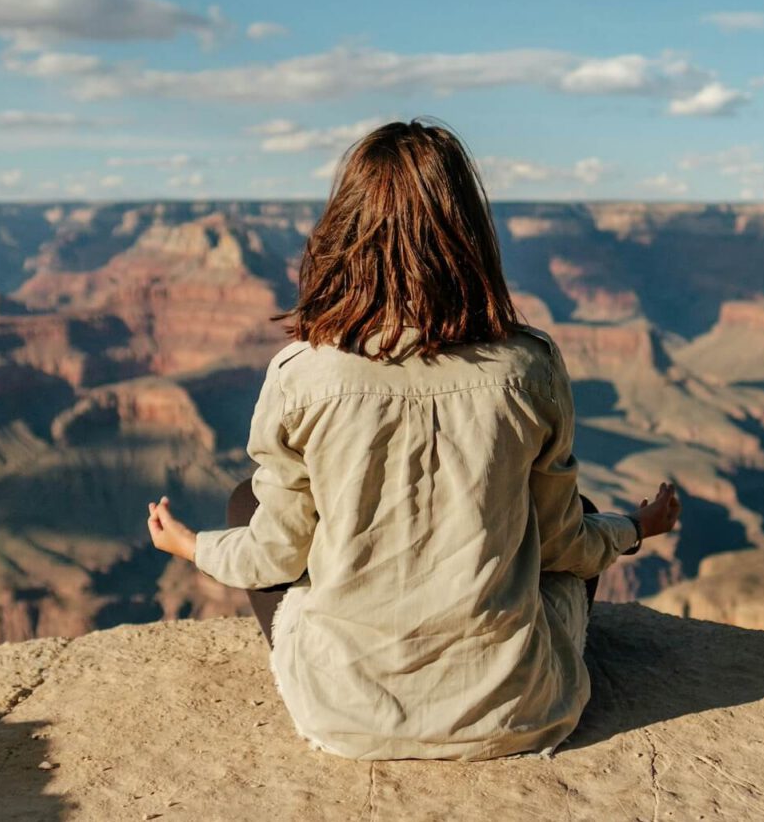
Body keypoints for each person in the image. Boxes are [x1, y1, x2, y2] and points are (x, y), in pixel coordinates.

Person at [144, 117, 681, 761]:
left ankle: (355, 681)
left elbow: (276, 558)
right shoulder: (528, 366)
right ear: (470, 234)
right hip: (517, 713)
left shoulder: (301, 373)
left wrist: (190, 546)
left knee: (245, 506)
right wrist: (634, 528)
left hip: (344, 717)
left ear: (344, 234)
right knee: (583, 514)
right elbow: (564, 544)